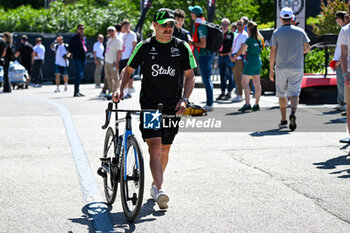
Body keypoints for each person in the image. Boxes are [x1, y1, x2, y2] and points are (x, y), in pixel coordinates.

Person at [112, 8, 197, 209]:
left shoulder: (182, 47)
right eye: (164, 25)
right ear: (155, 26)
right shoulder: (144, 46)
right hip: (150, 105)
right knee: (155, 147)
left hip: (172, 106)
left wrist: (185, 99)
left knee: (165, 148)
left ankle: (154, 185)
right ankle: (160, 190)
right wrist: (119, 88)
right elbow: (128, 70)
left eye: (171, 25)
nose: (168, 29)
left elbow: (190, 76)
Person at [269, 7, 310, 131]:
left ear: (281, 18)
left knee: (282, 95)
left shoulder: (276, 32)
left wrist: (271, 69)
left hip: (281, 67)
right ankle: (293, 112)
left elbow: (273, 52)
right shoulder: (300, 31)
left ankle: (283, 120)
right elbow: (307, 48)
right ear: (292, 18)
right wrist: (299, 52)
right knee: (294, 93)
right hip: (297, 66)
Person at [188, 5, 215, 111]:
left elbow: (203, 44)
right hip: (205, 55)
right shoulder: (201, 23)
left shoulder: (201, 26)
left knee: (206, 79)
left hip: (204, 56)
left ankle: (210, 103)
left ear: (195, 14)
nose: (191, 14)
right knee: (207, 79)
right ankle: (210, 102)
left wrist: (192, 42)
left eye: (192, 13)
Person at [237, 21, 262, 112]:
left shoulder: (249, 39)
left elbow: (243, 51)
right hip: (257, 61)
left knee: (245, 83)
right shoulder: (258, 39)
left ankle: (247, 104)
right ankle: (257, 104)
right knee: (257, 83)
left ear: (249, 29)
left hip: (250, 62)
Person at [332, 11, 348, 112]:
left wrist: (338, 60)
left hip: (343, 60)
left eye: (337, 18)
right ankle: (341, 102)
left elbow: (343, 50)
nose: (336, 20)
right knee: (340, 82)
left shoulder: (345, 30)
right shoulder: (344, 30)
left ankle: (345, 103)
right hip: (340, 60)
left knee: (343, 82)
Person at [216, 18, 235, 101]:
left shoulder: (231, 34)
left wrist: (231, 54)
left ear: (229, 25)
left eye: (226, 24)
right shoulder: (219, 34)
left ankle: (229, 92)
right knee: (222, 75)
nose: (224, 26)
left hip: (228, 56)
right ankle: (223, 92)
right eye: (223, 24)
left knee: (229, 75)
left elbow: (233, 45)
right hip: (220, 56)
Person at [230, 19, 248, 102]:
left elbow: (242, 48)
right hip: (234, 57)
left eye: (241, 24)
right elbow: (233, 45)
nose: (239, 26)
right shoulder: (236, 34)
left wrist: (235, 56)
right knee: (236, 77)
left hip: (239, 58)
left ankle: (240, 95)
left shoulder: (244, 35)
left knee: (238, 77)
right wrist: (231, 55)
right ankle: (239, 93)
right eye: (238, 24)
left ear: (244, 25)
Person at [68, 24, 87, 97]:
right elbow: (70, 47)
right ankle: (76, 91)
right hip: (77, 58)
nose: (81, 30)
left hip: (83, 58)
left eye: (83, 28)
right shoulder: (74, 37)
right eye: (80, 28)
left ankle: (78, 90)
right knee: (78, 74)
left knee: (81, 74)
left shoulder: (84, 37)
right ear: (77, 29)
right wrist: (71, 54)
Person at [120, 19, 137, 99]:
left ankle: (129, 91)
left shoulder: (132, 34)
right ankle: (125, 91)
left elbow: (134, 45)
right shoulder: (123, 35)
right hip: (123, 57)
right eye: (124, 25)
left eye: (127, 25)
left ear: (129, 25)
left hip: (129, 57)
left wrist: (132, 56)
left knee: (130, 74)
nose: (125, 27)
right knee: (124, 74)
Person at [104, 26, 122, 97]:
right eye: (109, 31)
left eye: (112, 31)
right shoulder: (109, 39)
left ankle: (116, 91)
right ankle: (110, 91)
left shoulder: (118, 40)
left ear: (115, 31)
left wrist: (117, 62)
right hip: (107, 61)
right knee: (108, 77)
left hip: (113, 62)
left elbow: (119, 52)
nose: (110, 32)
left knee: (115, 77)